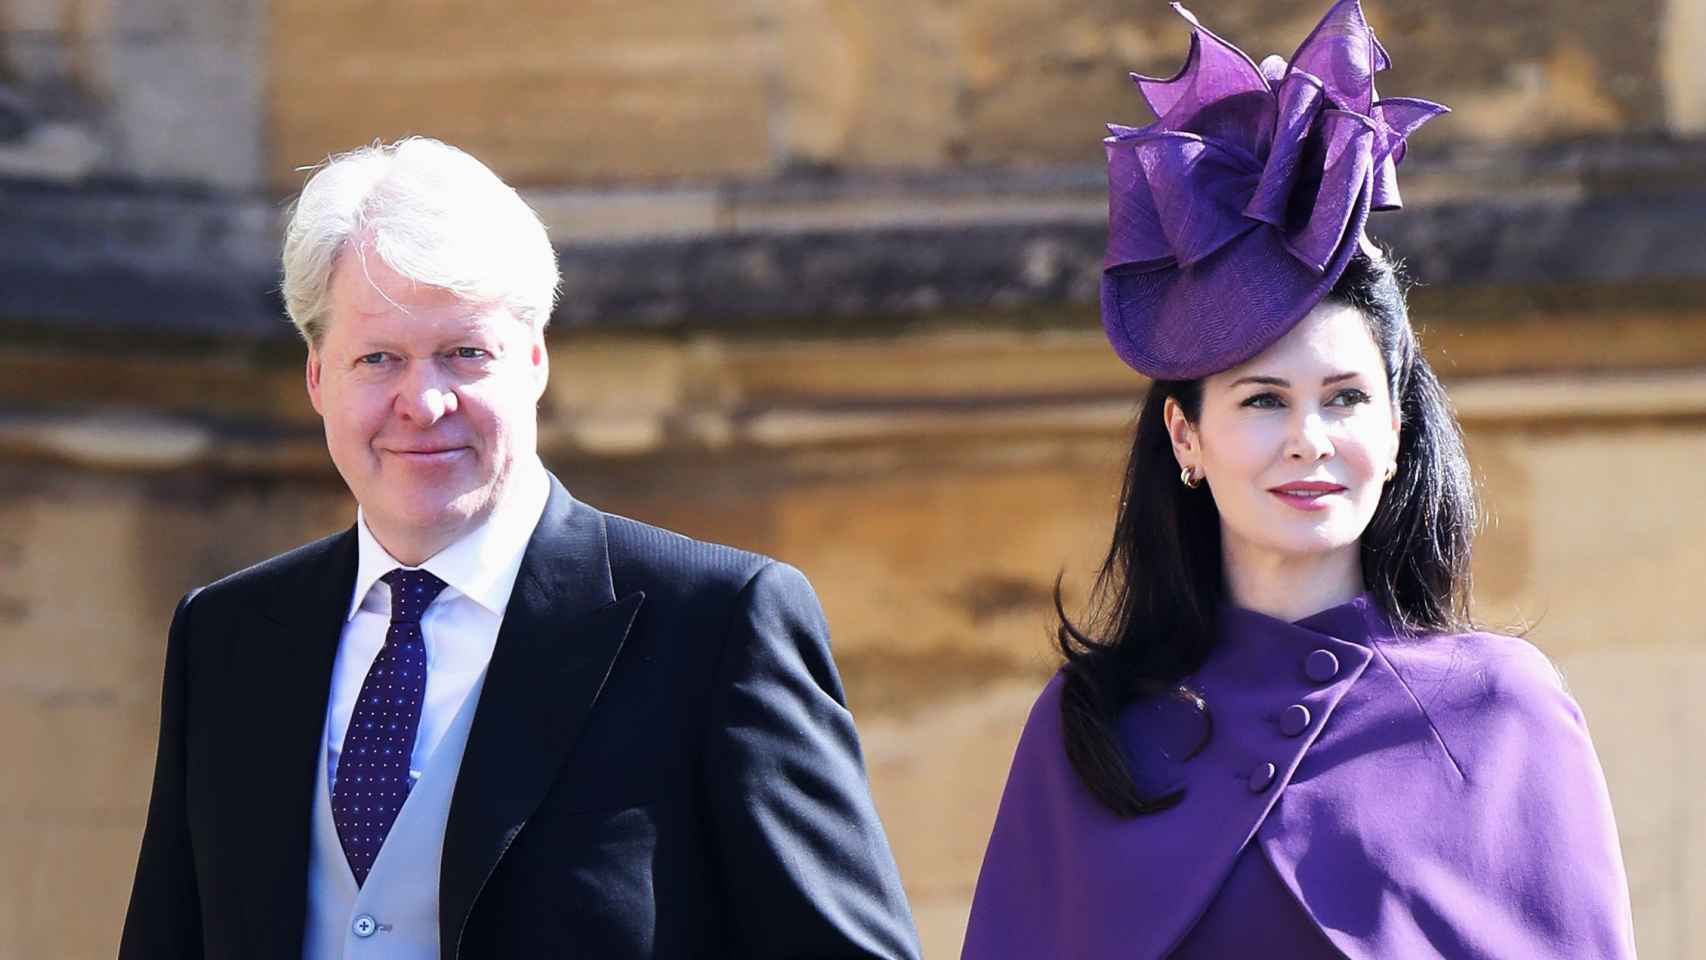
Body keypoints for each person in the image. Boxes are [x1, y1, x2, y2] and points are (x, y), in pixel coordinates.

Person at [119, 137, 921, 960]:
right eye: (378, 359)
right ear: (318, 377)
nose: (422, 402)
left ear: (534, 361)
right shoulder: (228, 637)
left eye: (464, 352)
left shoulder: (716, 627)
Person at [962, 2, 1638, 957]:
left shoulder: (1504, 710)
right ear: (1185, 436)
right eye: (1264, 401)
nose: (1310, 440)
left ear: (1399, 431)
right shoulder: (1085, 729)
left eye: (1348, 399)